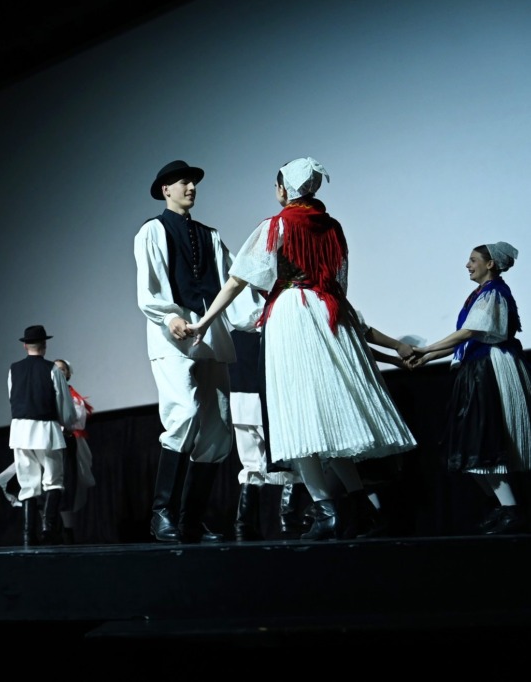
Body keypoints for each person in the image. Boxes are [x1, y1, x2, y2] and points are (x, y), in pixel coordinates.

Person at [187, 157, 417, 540]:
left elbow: (238, 279)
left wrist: (206, 320)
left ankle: (326, 511)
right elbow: (339, 282)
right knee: (329, 417)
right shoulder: (333, 227)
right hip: (328, 312)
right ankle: (358, 507)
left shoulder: (276, 225)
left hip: (293, 314)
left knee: (298, 415)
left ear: (284, 188)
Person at [134, 160, 263, 544]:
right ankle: (161, 514)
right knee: (184, 413)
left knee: (218, 429)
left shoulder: (211, 235)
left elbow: (233, 282)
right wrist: (169, 316)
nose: (191, 187)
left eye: (193, 182)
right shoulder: (152, 231)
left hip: (209, 334)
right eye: (183, 182)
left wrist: (260, 316)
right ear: (165, 190)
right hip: (170, 336)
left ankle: (190, 519)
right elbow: (149, 286)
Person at [408, 242, 530, 535]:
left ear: (490, 264)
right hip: (475, 368)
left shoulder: (494, 293)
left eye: (473, 260)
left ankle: (510, 510)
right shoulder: (480, 295)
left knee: (481, 441)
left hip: (487, 369)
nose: (468, 265)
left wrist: (427, 349)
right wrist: (426, 357)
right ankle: (501, 506)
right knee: (469, 445)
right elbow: (467, 340)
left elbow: (470, 332)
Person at [227, 329, 300, 542]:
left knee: (251, 462)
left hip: (239, 386)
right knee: (291, 455)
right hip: (260, 385)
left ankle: (244, 525)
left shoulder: (232, 328)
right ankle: (288, 518)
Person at [7, 325, 76, 546]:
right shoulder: (52, 369)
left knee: (27, 483)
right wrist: (67, 424)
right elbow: (63, 402)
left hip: (20, 431)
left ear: (25, 345)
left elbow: (12, 397)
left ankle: (28, 534)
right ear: (44, 345)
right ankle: (48, 530)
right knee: (53, 481)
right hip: (46, 430)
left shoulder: (14, 369)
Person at [53, 358, 96, 544]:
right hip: (48, 443)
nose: (59, 372)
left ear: (68, 374)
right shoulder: (46, 393)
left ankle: (67, 531)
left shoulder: (73, 397)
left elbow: (77, 422)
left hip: (66, 443)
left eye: (62, 369)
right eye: (55, 369)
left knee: (67, 485)